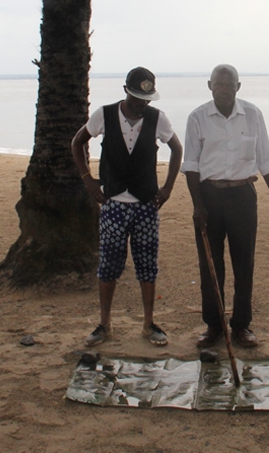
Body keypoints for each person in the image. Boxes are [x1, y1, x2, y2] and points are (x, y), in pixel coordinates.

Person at [71, 67, 183, 347]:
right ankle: (104, 325)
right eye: (136, 99)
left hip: (146, 206)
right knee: (108, 267)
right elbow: (77, 143)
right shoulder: (104, 115)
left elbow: (177, 149)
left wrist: (168, 187)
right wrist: (88, 181)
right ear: (125, 91)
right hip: (114, 206)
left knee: (147, 266)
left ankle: (149, 324)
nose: (141, 105)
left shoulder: (158, 119)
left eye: (146, 100)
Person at [182, 64, 269, 349]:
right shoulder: (198, 117)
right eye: (218, 84)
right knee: (210, 266)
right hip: (209, 198)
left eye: (229, 85)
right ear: (209, 85)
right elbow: (190, 165)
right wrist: (198, 205)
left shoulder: (252, 115)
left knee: (244, 264)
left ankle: (241, 326)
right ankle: (214, 326)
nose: (224, 89)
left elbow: (265, 159)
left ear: (238, 87)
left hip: (242, 197)